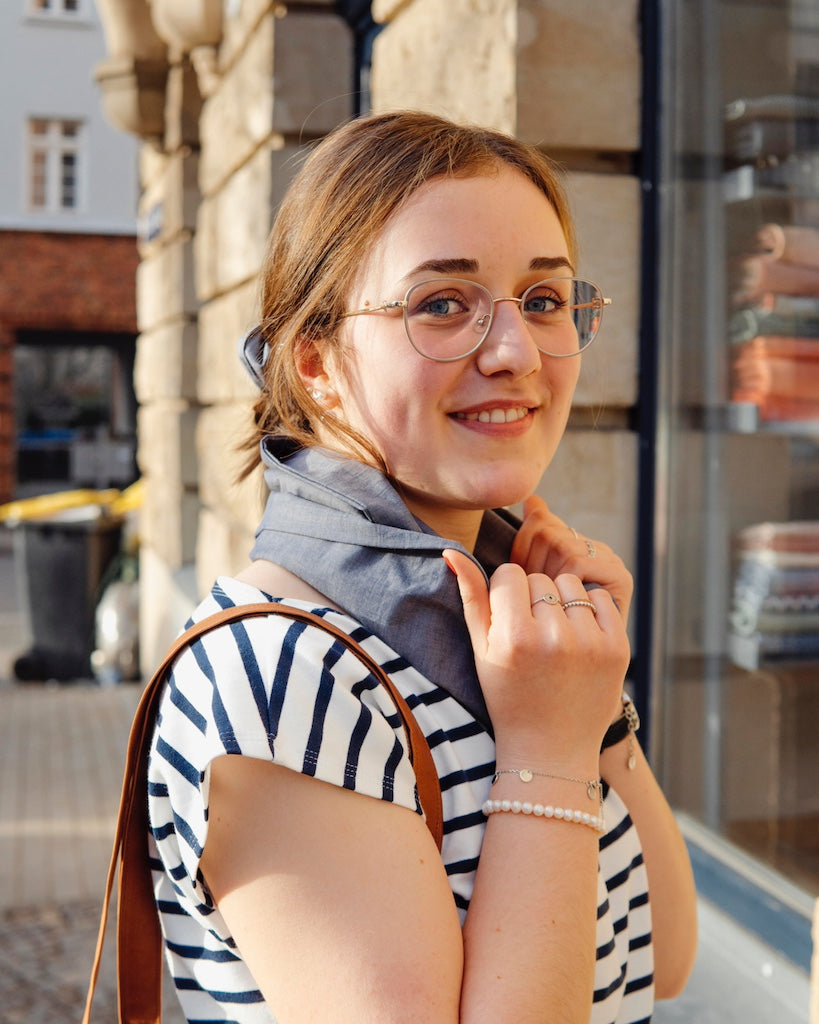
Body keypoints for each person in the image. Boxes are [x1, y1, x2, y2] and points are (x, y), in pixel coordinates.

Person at [147, 110, 698, 1023]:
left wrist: (590, 702)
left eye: (544, 298)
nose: (515, 352)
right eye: (442, 304)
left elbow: (663, 958)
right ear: (315, 362)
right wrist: (547, 751)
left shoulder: (504, 632)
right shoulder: (283, 674)